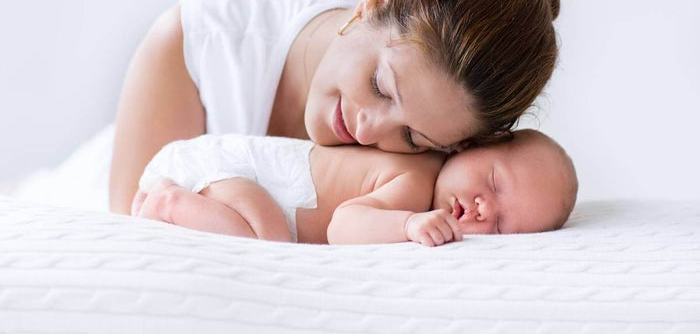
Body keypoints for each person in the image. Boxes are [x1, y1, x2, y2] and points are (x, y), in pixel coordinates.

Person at [110, 0, 561, 215]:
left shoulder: (433, 161)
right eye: (381, 86)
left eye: (411, 136)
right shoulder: (200, 41)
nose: (367, 131)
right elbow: (136, 223)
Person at [132, 129, 578, 245]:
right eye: (495, 183)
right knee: (268, 243)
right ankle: (168, 203)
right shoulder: (417, 177)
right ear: (474, 144)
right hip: (227, 170)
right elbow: (343, 225)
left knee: (267, 236)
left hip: (220, 169)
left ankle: (168, 199)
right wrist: (407, 225)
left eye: (501, 225)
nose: (483, 209)